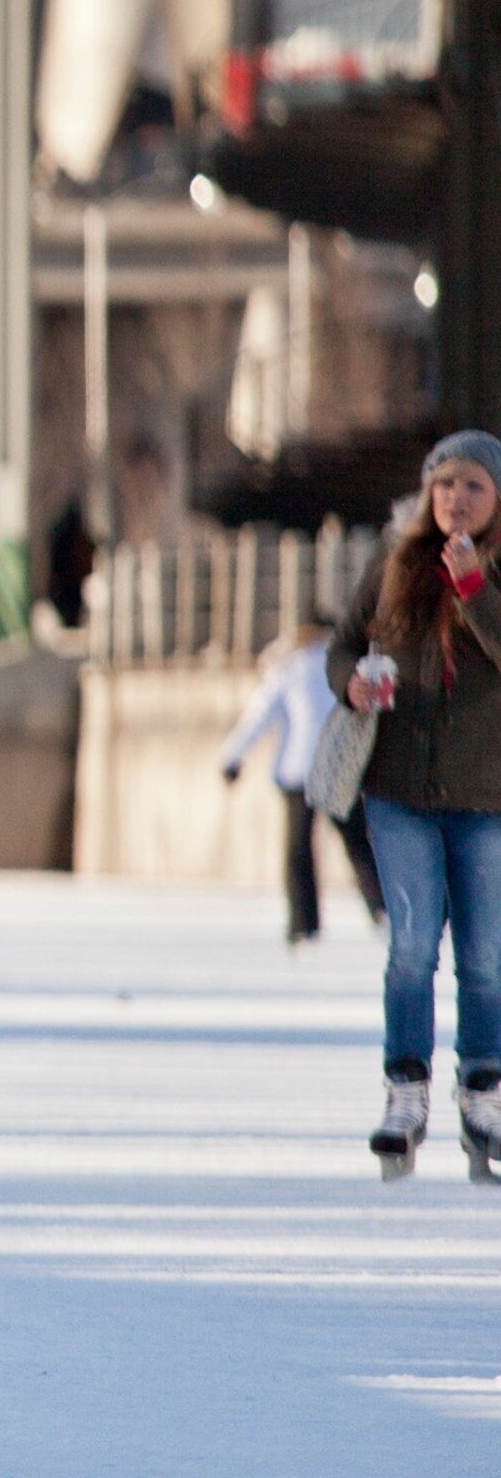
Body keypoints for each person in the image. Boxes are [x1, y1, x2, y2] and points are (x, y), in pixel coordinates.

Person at [327, 429, 501, 1183]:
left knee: (487, 959)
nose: (457, 500)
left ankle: (484, 1093)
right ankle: (406, 1090)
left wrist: (475, 592)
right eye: (445, 486)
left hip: (487, 794)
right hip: (398, 791)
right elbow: (340, 645)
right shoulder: (395, 562)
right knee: (411, 946)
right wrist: (351, 683)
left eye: (474, 487)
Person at [219, 631, 380, 945]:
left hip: (298, 772)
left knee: (299, 852)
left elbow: (259, 716)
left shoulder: (290, 668)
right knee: (359, 845)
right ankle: (382, 908)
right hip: (337, 770)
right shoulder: (346, 667)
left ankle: (303, 923)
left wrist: (233, 757)